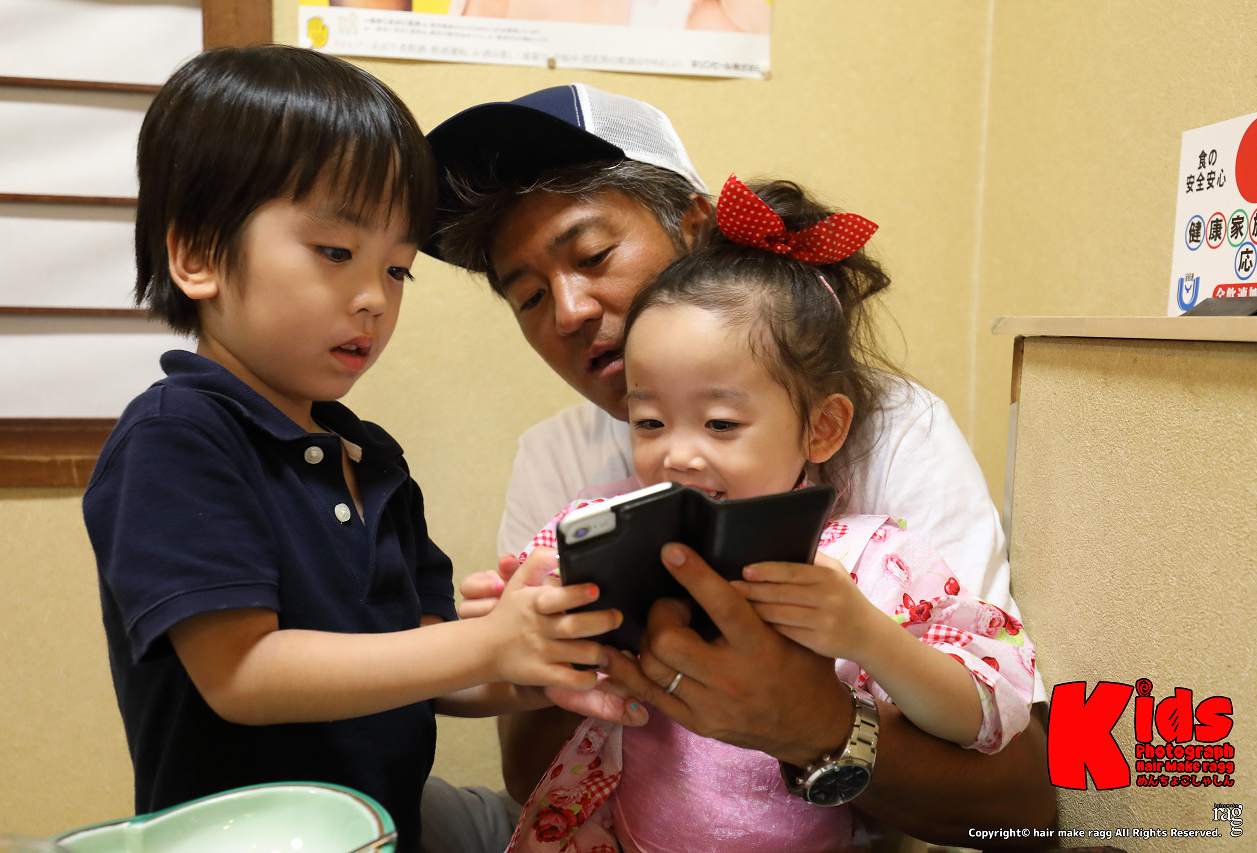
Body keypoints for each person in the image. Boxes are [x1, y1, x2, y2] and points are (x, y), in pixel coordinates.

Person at [423, 82, 1054, 847]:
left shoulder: (894, 446)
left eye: (593, 255)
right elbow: (527, 769)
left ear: (695, 226)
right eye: (527, 295)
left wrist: (814, 717)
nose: (568, 311)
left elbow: (1020, 797)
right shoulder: (570, 476)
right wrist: (534, 649)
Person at [81, 46, 636, 853]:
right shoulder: (178, 435)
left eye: (398, 270)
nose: (374, 298)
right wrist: (484, 641)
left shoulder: (369, 458)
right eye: (336, 253)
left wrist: (531, 661)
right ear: (197, 256)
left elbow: (423, 664)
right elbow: (241, 673)